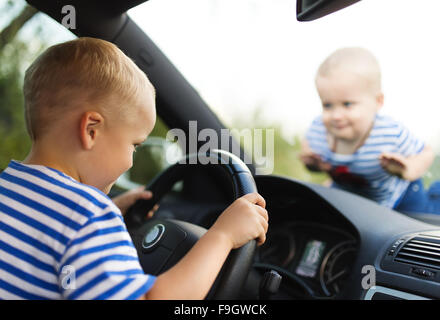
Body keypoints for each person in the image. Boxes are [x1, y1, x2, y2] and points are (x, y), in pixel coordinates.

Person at [0, 37, 269, 300]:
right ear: (91, 130)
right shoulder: (88, 217)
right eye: (135, 144)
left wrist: (115, 208)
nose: (131, 160)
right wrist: (222, 235)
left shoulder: (8, 189)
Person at [300, 47, 440, 213]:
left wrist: (408, 169)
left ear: (377, 102)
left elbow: (426, 152)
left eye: (347, 104)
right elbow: (307, 148)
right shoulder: (318, 131)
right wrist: (314, 165)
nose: (336, 115)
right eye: (327, 105)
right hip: (354, 198)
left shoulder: (389, 133)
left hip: (400, 197)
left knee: (425, 216)